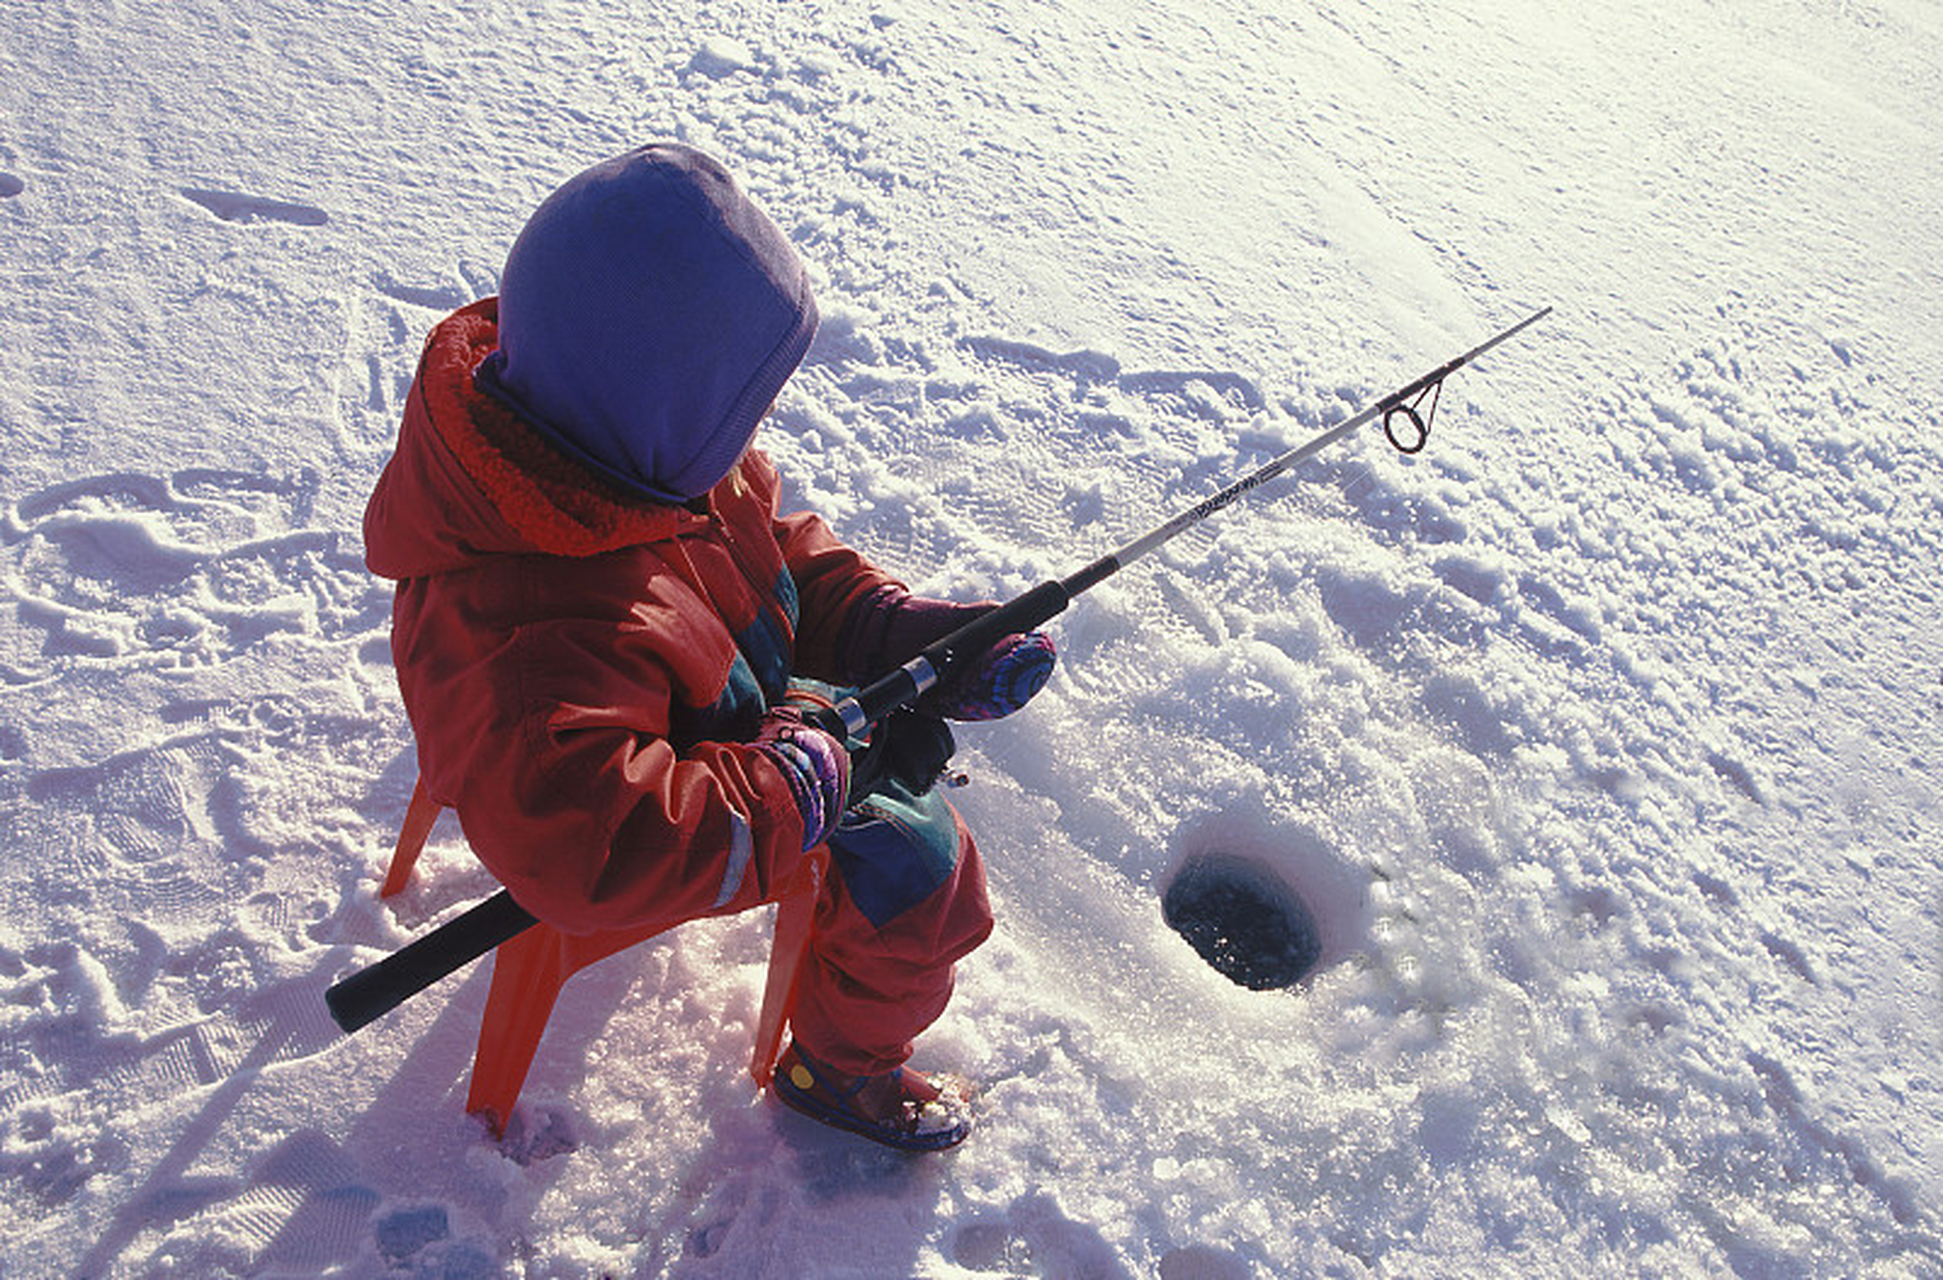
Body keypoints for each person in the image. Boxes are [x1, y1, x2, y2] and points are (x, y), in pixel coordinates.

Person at [362, 143, 1054, 1153]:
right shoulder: (520, 645)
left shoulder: (637, 454)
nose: (756, 431)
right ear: (650, 405)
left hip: (739, 709)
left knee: (896, 787)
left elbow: (771, 559)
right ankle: (836, 1071)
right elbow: (588, 843)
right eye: (738, 407)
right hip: (703, 790)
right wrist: (787, 787)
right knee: (924, 874)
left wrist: (895, 631)